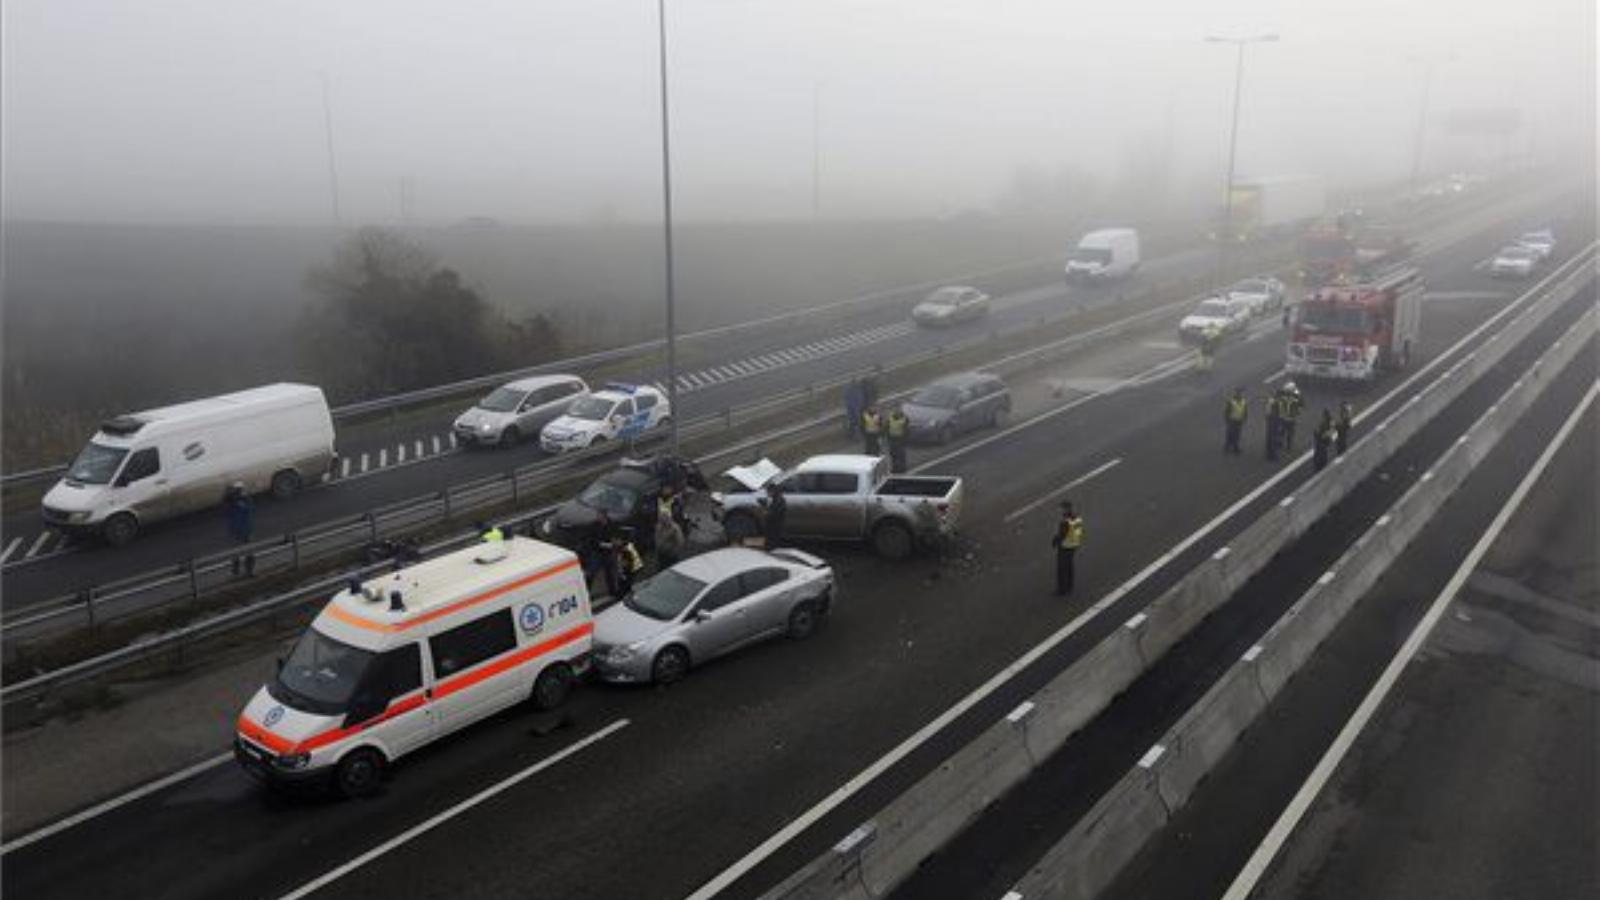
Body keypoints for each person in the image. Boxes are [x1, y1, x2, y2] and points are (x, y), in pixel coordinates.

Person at [1050, 501, 1085, 596]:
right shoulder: (1077, 517)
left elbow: (1061, 535)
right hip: (1074, 545)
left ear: (1066, 509)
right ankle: (1070, 585)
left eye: (1061, 508)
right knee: (1069, 566)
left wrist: (1054, 542)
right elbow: (1079, 531)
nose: (1060, 510)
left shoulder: (1065, 521)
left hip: (1065, 546)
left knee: (1061, 568)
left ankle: (1062, 589)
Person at [225, 483, 257, 576]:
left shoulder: (245, 500)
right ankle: (240, 571)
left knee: (246, 551)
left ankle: (247, 571)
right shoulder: (231, 502)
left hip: (242, 529)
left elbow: (249, 510)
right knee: (239, 552)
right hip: (241, 529)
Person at [1278, 382, 1303, 452]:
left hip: (1290, 419)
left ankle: (1288, 446)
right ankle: (1281, 444)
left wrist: (1297, 412)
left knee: (1289, 434)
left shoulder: (1295, 398)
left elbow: (1300, 406)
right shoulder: (1284, 397)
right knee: (1282, 432)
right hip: (1284, 417)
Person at [762, 480, 787, 548]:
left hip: (775, 523)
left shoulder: (779, 499)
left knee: (773, 536)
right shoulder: (775, 498)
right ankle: (771, 545)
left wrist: (767, 512)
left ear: (773, 491)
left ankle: (772, 546)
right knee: (771, 535)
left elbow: (775, 511)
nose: (767, 493)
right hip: (774, 522)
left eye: (768, 492)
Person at [1223, 387, 1249, 454]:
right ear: (1235, 394)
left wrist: (1245, 418)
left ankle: (1235, 447)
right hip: (1232, 420)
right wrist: (1227, 419)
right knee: (1230, 433)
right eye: (1238, 393)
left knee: (1238, 434)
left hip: (1239, 420)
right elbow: (1226, 411)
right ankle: (1227, 446)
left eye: (1241, 393)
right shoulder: (1231, 401)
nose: (1240, 394)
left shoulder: (1244, 401)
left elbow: (1245, 410)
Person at [886, 406, 910, 473]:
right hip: (892, 439)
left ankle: (902, 468)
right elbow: (887, 428)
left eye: (898, 409)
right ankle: (894, 468)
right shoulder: (890, 418)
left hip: (901, 439)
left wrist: (905, 439)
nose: (897, 411)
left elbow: (907, 430)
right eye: (895, 410)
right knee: (893, 455)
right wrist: (887, 438)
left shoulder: (905, 418)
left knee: (901, 455)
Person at [1263, 391, 1282, 462]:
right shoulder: (1275, 403)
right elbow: (1277, 413)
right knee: (1273, 438)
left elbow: (1266, 412)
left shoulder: (1270, 401)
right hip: (1273, 421)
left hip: (1270, 421)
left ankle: (1268, 453)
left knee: (1269, 438)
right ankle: (1273, 454)